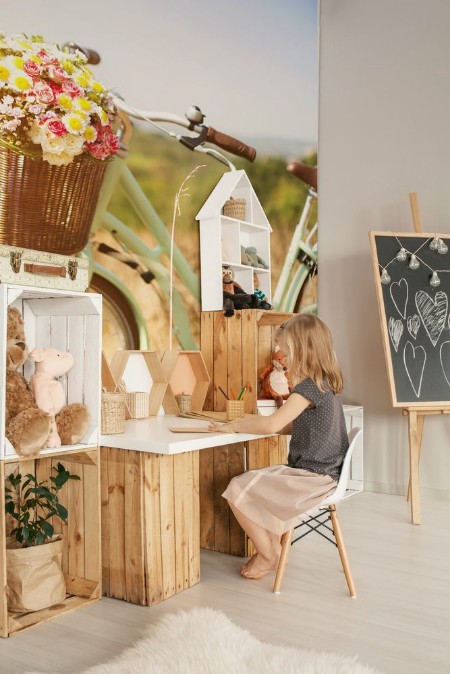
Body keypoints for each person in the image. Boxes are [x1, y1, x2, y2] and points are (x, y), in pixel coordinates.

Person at [208, 313, 349, 580]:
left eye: (285, 349)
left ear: (301, 349)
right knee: (253, 484)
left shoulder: (310, 387)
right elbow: (286, 426)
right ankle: (270, 546)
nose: (281, 355)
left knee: (237, 487)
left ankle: (269, 553)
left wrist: (235, 425)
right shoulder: (325, 384)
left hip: (312, 478)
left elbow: (272, 427)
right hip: (324, 475)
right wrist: (257, 422)